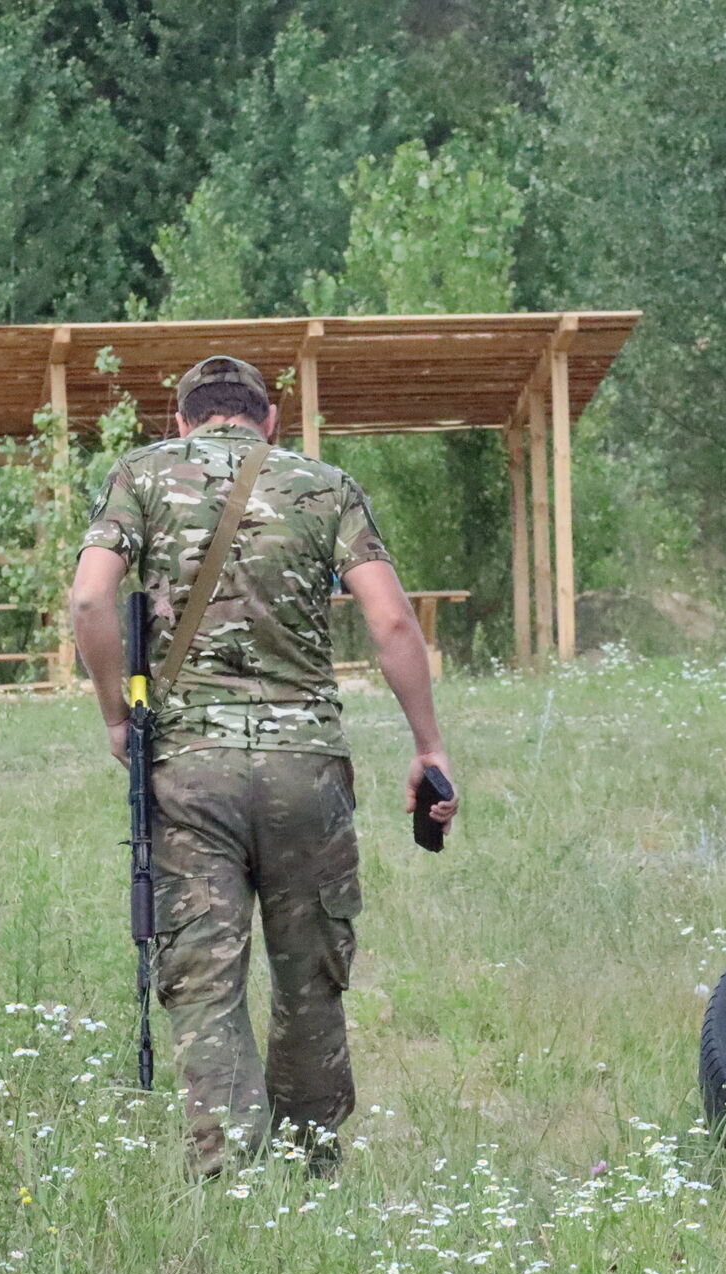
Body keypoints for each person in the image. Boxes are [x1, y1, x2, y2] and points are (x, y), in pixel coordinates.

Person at [69, 354, 459, 1178]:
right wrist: (428, 746)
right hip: (306, 770)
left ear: (181, 421)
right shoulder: (326, 485)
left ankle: (229, 1178)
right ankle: (313, 1162)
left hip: (189, 769)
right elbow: (390, 622)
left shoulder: (139, 475)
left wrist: (116, 716)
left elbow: (90, 598)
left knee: (206, 981)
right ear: (269, 422)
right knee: (310, 973)